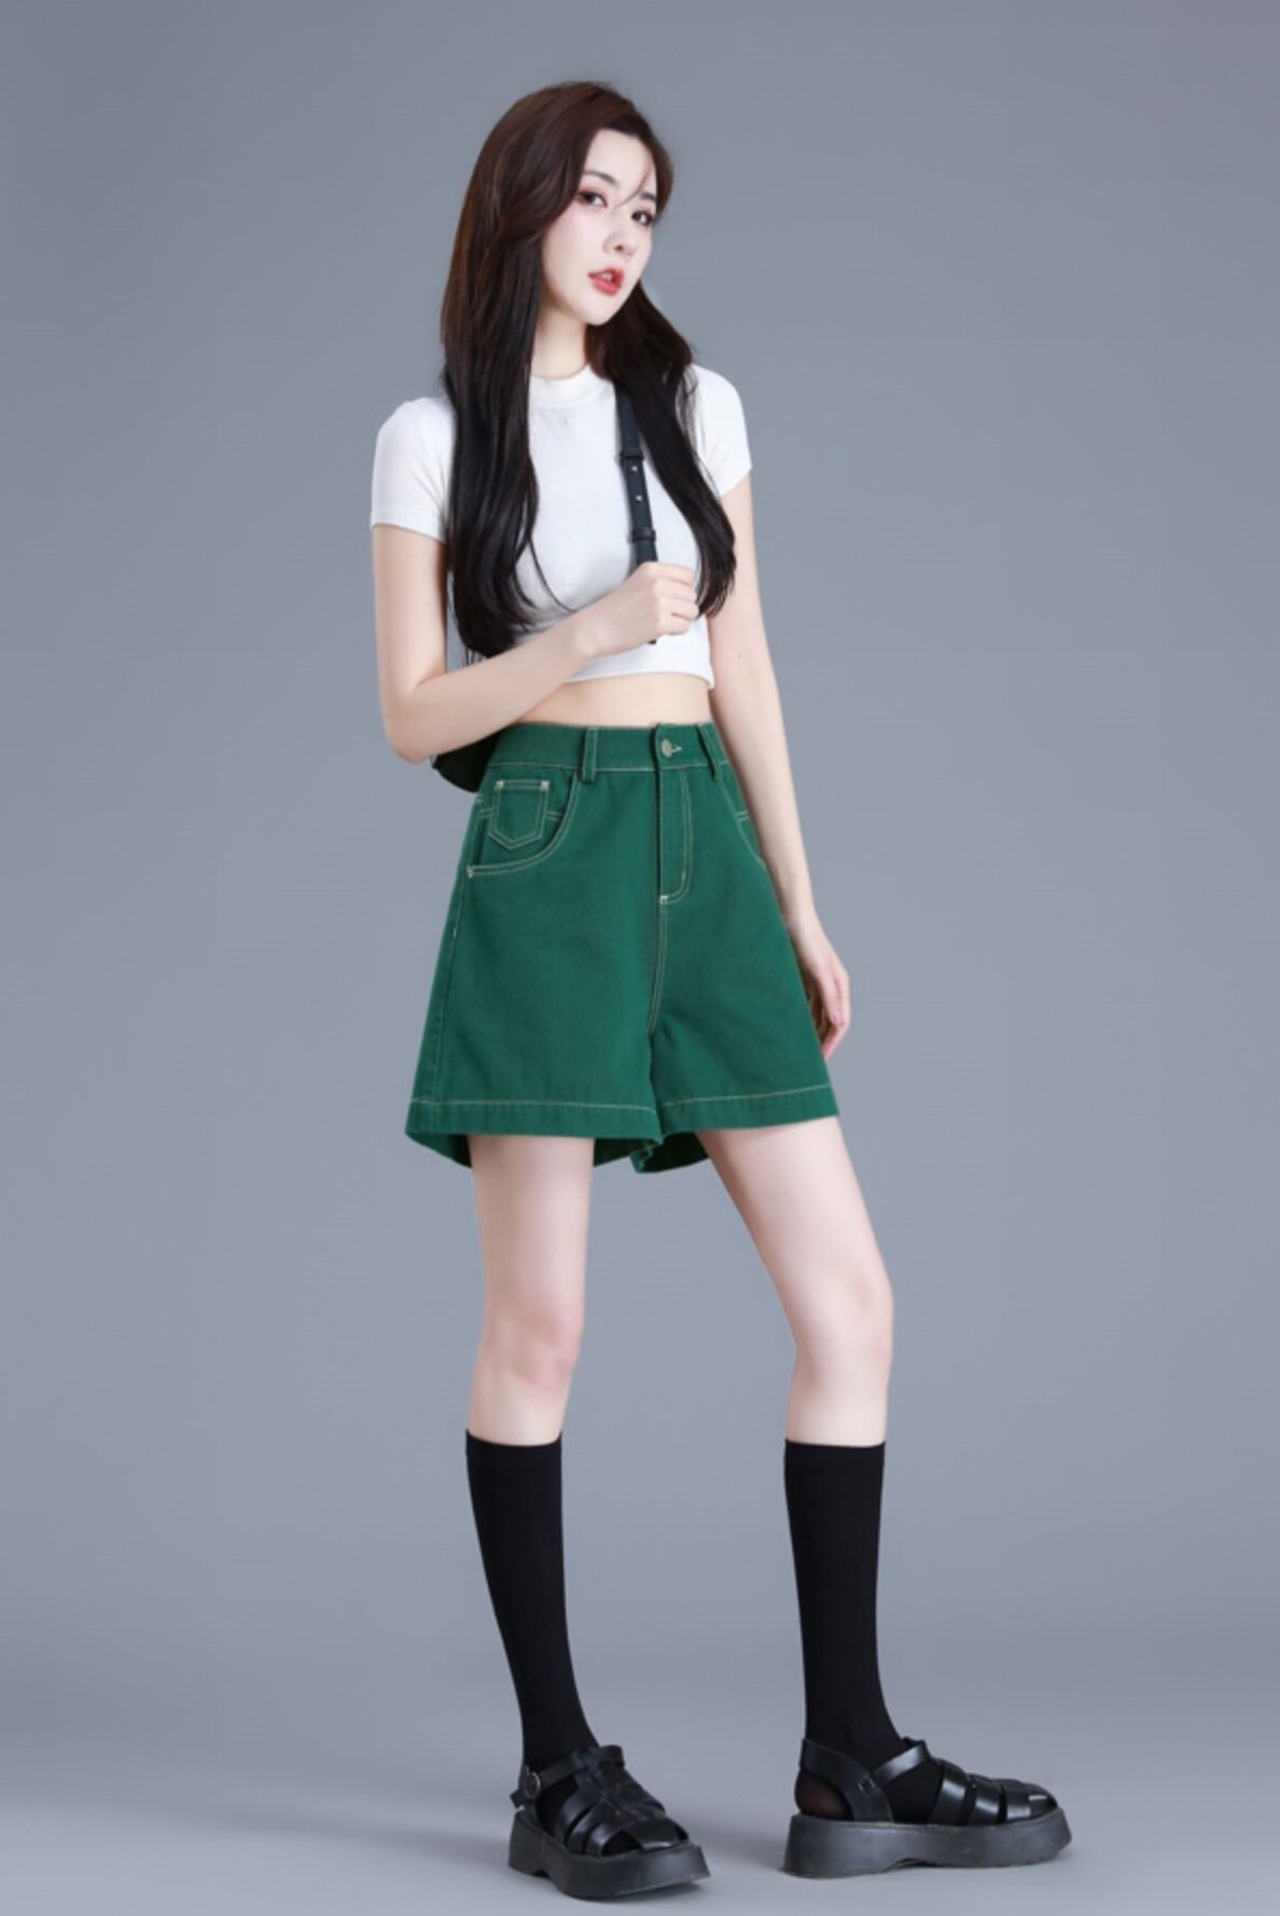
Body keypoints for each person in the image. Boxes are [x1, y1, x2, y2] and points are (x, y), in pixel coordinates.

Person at [369, 81, 1071, 1900]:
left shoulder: (696, 407)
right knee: (541, 1331)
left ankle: (853, 1758)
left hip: (708, 847)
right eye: (594, 199)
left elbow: (748, 666)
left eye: (647, 210)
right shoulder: (433, 437)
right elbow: (411, 715)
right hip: (547, 849)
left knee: (853, 1304)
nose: (621, 237)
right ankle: (556, 1770)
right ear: (521, 205)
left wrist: (801, 904)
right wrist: (588, 633)